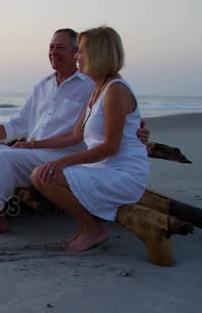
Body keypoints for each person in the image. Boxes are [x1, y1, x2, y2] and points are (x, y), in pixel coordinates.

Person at [0, 28, 148, 250]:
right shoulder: (61, 86)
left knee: (6, 157)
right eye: (51, 47)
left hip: (79, 159)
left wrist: (140, 132)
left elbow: (112, 134)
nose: (56, 52)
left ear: (93, 53)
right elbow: (24, 123)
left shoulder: (96, 86)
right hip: (43, 154)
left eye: (70, 49)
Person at [30, 26, 149, 252]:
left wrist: (63, 161)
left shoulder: (115, 89)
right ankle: (90, 226)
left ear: (98, 54)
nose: (76, 57)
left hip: (123, 173)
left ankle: (92, 229)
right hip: (102, 168)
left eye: (81, 51)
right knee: (42, 174)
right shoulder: (97, 89)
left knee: (45, 175)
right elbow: (76, 135)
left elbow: (110, 147)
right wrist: (33, 144)